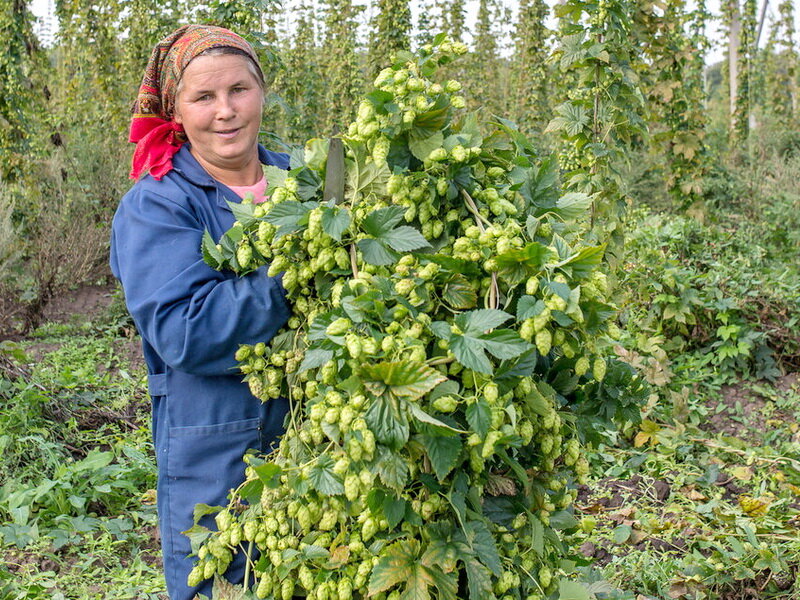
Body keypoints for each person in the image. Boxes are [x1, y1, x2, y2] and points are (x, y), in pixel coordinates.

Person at [110, 25, 291, 600]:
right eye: (203, 97)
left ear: (262, 92)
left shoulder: (304, 183)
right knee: (224, 582)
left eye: (239, 89)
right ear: (176, 110)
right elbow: (188, 332)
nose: (226, 112)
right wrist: (296, 275)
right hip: (220, 459)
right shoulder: (159, 203)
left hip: (324, 447)